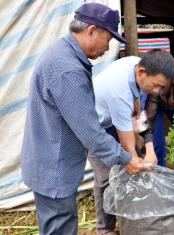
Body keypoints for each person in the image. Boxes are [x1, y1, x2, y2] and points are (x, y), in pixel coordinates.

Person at [20, 3, 151, 234]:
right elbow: (90, 132)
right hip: (54, 168)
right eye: (108, 39)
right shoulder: (68, 68)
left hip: (47, 159)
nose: (107, 47)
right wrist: (126, 158)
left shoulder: (61, 52)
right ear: (91, 30)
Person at [89, 49, 174, 235]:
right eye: (156, 86)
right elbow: (128, 149)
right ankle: (105, 229)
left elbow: (139, 116)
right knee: (106, 177)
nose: (157, 91)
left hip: (116, 120)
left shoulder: (137, 64)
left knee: (132, 166)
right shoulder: (119, 91)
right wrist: (135, 160)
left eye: (162, 87)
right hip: (95, 127)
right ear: (141, 73)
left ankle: (132, 219)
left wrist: (150, 149)